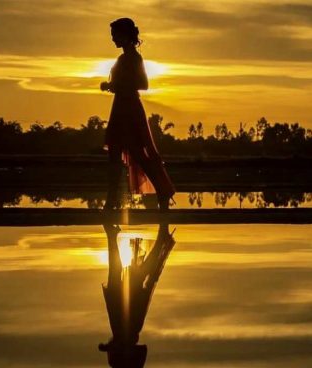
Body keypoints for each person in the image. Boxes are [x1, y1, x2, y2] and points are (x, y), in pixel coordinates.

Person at [100, 17, 176, 212]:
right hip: (120, 107)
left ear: (125, 36)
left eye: (115, 35)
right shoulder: (123, 59)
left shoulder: (134, 58)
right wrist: (112, 86)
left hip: (130, 109)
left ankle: (163, 192)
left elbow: (143, 84)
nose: (113, 39)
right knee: (114, 156)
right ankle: (111, 201)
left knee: (139, 155)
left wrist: (114, 85)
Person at [99, 222, 176, 367]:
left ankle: (112, 234)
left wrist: (111, 347)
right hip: (127, 321)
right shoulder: (126, 363)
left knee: (122, 276)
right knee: (128, 276)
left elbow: (130, 349)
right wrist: (117, 346)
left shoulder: (118, 363)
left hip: (123, 322)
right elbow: (138, 350)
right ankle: (160, 237)